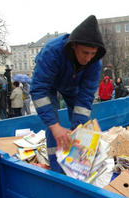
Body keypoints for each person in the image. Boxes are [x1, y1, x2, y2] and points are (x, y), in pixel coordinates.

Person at [29, 15, 106, 173]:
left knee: (81, 125)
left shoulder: (95, 63)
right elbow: (38, 90)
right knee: (53, 127)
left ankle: (76, 165)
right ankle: (56, 169)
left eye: (93, 53)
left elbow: (85, 100)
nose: (88, 58)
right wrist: (55, 127)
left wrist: (78, 130)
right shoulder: (52, 52)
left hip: (72, 85)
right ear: (73, 46)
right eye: (85, 52)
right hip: (49, 84)